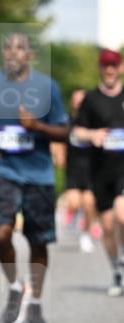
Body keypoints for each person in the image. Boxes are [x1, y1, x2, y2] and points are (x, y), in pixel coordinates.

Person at [0, 32, 69, 323]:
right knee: (1, 232)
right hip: (3, 169)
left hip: (39, 174)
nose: (13, 53)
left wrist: (37, 126)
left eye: (20, 48)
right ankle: (15, 285)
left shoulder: (47, 87)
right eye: (8, 48)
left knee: (38, 241)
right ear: (3, 53)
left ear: (30, 54)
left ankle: (35, 302)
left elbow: (65, 131)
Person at [74, 49, 124, 296]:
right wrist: (92, 134)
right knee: (107, 227)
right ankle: (117, 270)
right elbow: (77, 131)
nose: (110, 70)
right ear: (100, 68)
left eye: (114, 65)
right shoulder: (91, 99)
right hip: (101, 170)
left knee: (122, 215)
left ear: (121, 67)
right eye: (106, 65)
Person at [62, 89, 99, 254]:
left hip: (92, 168)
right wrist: (59, 156)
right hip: (73, 168)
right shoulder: (67, 121)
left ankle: (86, 234)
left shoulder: (94, 121)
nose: (79, 103)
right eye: (76, 100)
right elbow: (60, 140)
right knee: (74, 202)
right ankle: (74, 217)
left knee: (89, 203)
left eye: (82, 100)